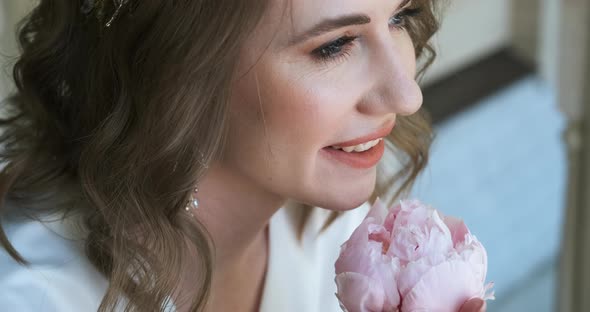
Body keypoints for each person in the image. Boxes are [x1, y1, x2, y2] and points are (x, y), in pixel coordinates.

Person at [0, 0, 487, 311]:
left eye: (399, 16)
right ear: (180, 72)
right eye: (335, 45)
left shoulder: (335, 228)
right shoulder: (36, 298)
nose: (407, 97)